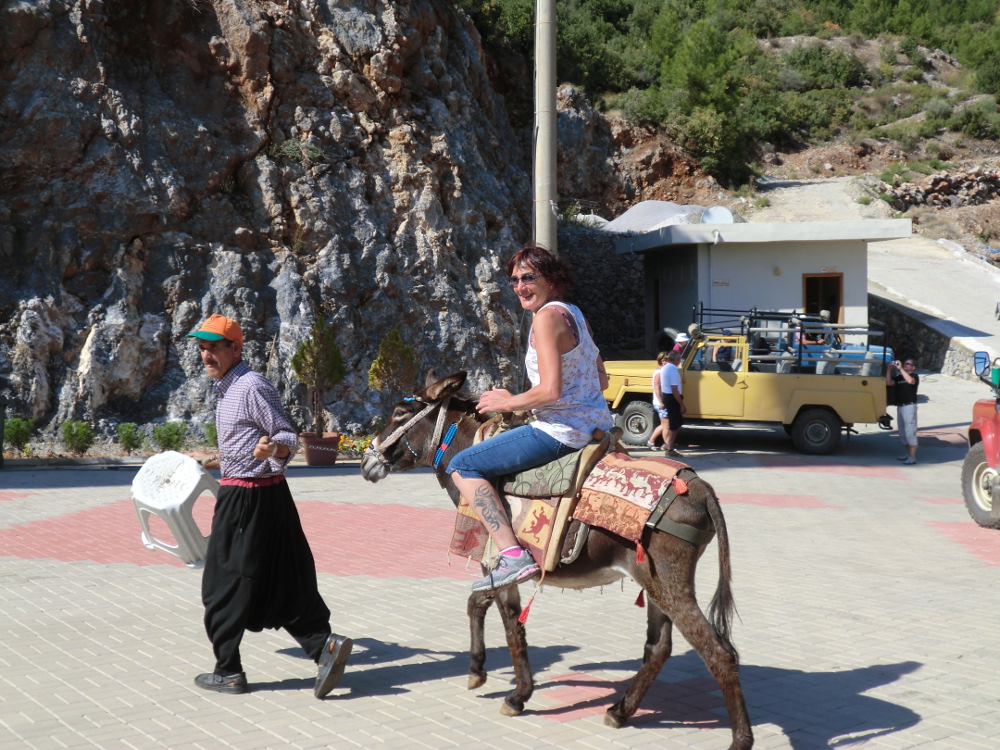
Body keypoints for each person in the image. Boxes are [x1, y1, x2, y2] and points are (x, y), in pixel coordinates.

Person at [185, 314, 352, 697]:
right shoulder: (228, 387)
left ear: (235, 348)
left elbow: (286, 437)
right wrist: (214, 459)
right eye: (203, 348)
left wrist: (273, 448)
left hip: (248, 499)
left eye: (214, 347)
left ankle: (228, 671)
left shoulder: (250, 385)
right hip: (266, 495)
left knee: (222, 584)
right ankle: (324, 647)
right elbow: (247, 442)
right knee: (284, 578)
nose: (206, 355)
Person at [448, 244, 614, 592]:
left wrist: (509, 402)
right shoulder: (574, 314)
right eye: (514, 280)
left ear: (551, 279)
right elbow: (601, 379)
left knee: (463, 465)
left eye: (528, 278)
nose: (520, 286)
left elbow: (551, 391)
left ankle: (512, 555)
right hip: (597, 427)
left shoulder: (545, 318)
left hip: (560, 432)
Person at [886, 357, 919, 465]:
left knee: (910, 431)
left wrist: (900, 369)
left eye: (907, 364)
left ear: (913, 367)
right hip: (900, 406)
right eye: (904, 363)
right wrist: (889, 370)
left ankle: (912, 457)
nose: (905, 365)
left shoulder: (914, 376)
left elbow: (910, 381)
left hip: (909, 406)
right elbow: (888, 383)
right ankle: (908, 454)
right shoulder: (899, 377)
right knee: (903, 432)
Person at [661, 349, 687, 457]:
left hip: (667, 396)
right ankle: (670, 448)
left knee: (676, 423)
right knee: (674, 424)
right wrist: (682, 405)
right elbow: (675, 390)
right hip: (672, 398)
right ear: (677, 359)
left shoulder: (666, 367)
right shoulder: (672, 369)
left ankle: (668, 445)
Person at [648, 352, 670, 448]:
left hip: (661, 402)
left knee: (663, 424)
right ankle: (667, 445)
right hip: (660, 402)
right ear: (662, 361)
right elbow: (657, 388)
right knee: (666, 425)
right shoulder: (659, 373)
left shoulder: (661, 371)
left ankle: (651, 441)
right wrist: (661, 402)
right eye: (666, 360)